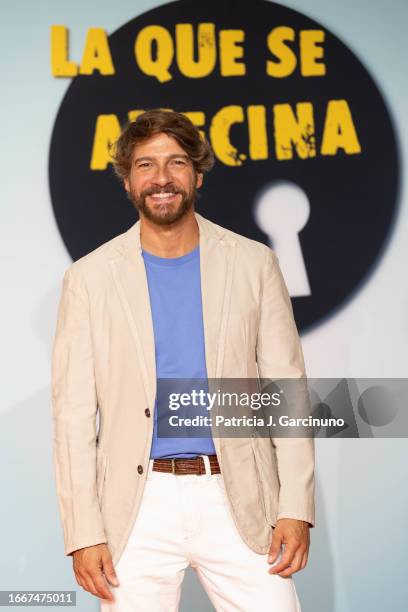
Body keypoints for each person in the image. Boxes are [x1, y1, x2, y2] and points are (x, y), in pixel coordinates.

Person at [51, 109, 315, 611]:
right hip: (136, 504)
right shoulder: (88, 279)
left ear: (197, 174)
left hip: (240, 494)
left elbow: (288, 392)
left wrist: (296, 507)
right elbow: (73, 418)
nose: (162, 178)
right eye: (146, 165)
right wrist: (82, 531)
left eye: (175, 162)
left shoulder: (254, 263)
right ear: (128, 181)